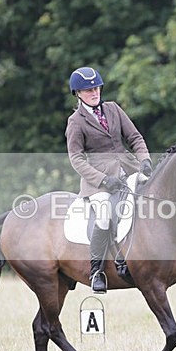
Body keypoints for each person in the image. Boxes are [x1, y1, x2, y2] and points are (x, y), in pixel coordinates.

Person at [65, 66, 152, 294]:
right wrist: (103, 180)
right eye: (88, 90)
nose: (94, 93)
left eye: (96, 88)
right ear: (78, 94)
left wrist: (144, 160)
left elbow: (135, 137)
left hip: (129, 171)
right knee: (104, 216)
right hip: (98, 184)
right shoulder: (76, 122)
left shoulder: (113, 109)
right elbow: (76, 159)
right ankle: (97, 271)